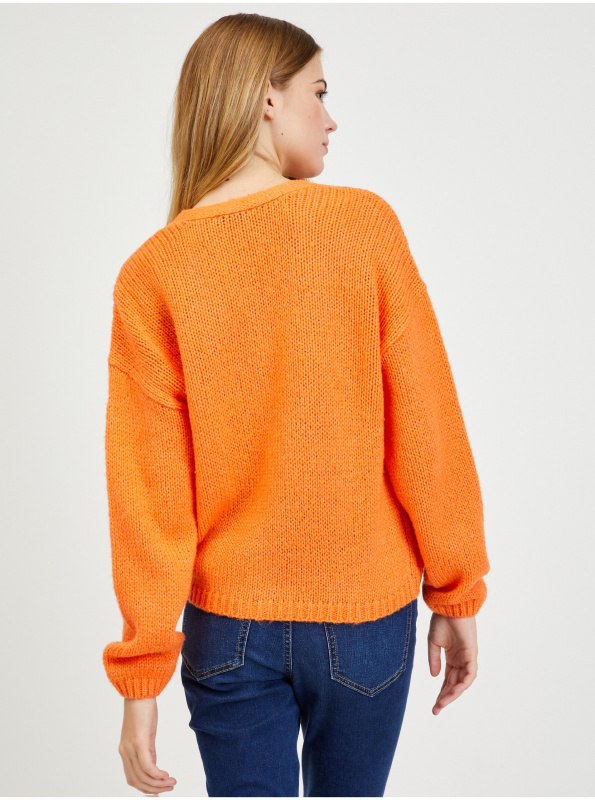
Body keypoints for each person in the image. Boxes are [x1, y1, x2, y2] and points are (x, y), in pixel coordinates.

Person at [102, 12, 490, 798]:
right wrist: (455, 588)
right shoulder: (362, 226)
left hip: (227, 630)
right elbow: (426, 425)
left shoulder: (154, 271)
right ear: (266, 98)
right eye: (318, 91)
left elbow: (149, 496)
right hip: (366, 617)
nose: (330, 116)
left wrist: (142, 677)